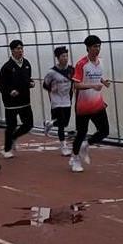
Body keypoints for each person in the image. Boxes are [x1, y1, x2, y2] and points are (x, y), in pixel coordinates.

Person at [69, 35, 111, 173]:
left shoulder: (101, 62)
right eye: (94, 46)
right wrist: (93, 86)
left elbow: (98, 76)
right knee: (81, 133)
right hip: (83, 105)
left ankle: (86, 145)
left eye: (99, 46)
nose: (97, 49)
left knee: (104, 131)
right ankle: (75, 159)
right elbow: (76, 85)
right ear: (88, 48)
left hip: (97, 103)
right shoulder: (81, 64)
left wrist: (104, 82)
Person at [0, 39, 35, 158]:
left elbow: (27, 79)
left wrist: (31, 83)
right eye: (18, 48)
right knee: (11, 126)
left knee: (29, 124)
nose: (20, 51)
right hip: (11, 103)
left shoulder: (26, 63)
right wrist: (10, 92)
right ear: (12, 51)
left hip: (25, 101)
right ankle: (7, 150)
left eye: (21, 48)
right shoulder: (7, 67)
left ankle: (14, 137)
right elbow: (1, 84)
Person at [42, 46, 74, 156]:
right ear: (58, 58)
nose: (65, 58)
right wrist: (52, 89)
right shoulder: (52, 72)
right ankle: (64, 147)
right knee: (61, 124)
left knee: (65, 123)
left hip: (67, 100)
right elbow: (45, 85)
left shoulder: (71, 70)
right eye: (62, 56)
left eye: (66, 56)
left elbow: (76, 81)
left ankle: (49, 123)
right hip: (56, 100)